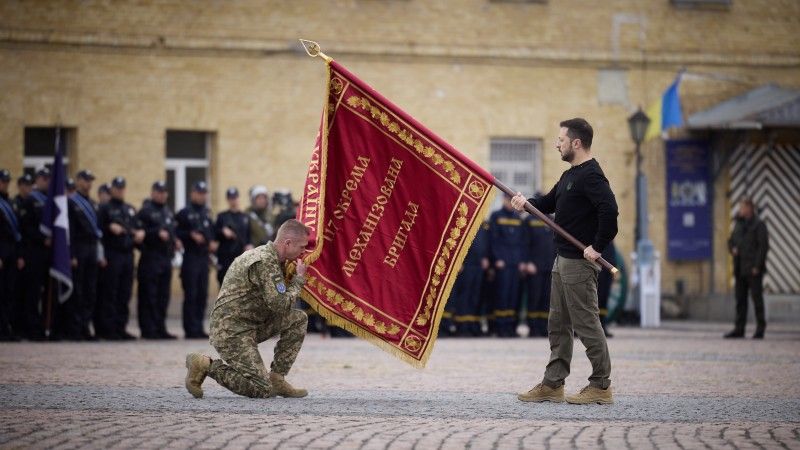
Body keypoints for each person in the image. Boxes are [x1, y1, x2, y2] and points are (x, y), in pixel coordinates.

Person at [512, 118, 618, 405]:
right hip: (561, 261)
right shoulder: (570, 175)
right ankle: (553, 384)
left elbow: (610, 211)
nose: (557, 143)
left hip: (579, 265)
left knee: (586, 324)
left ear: (576, 143)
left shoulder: (591, 176)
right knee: (557, 324)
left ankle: (601, 385)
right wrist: (526, 203)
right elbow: (547, 203)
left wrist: (597, 246)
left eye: (561, 139)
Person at [184, 219, 310, 399]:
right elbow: (280, 305)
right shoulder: (265, 262)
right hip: (231, 331)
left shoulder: (274, 259)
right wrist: (298, 280)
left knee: (298, 319)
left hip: (251, 324)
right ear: (287, 243)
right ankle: (205, 364)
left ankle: (277, 378)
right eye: (302, 247)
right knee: (262, 389)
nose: (303, 252)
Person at [97, 176, 143, 340]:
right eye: (117, 188)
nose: (120, 190)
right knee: (110, 292)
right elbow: (98, 233)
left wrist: (137, 233)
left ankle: (120, 327)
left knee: (125, 293)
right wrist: (110, 228)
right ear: (112, 189)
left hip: (128, 255)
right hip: (112, 254)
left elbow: (136, 228)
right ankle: (108, 329)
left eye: (122, 188)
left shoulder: (129, 208)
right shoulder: (105, 208)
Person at [136, 181, 178, 340]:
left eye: (164, 192)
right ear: (153, 193)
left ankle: (161, 328)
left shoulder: (167, 211)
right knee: (149, 295)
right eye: (159, 191)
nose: (162, 194)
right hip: (150, 258)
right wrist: (155, 233)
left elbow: (171, 231)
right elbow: (139, 233)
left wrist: (175, 241)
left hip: (165, 258)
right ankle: (148, 329)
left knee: (163, 296)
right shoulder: (145, 211)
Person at [176, 181, 216, 339]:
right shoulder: (184, 213)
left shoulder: (206, 213)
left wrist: (213, 242)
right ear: (192, 193)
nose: (202, 196)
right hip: (190, 257)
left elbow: (211, 233)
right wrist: (189, 235)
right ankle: (190, 328)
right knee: (191, 294)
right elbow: (177, 232)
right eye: (199, 193)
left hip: (203, 258)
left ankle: (198, 326)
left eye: (204, 193)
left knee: (202, 294)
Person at [65, 169, 102, 340]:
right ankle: (75, 328)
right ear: (78, 181)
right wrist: (71, 254)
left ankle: (86, 327)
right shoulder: (71, 203)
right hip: (79, 248)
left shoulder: (93, 204)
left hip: (92, 249)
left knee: (90, 290)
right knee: (78, 290)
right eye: (86, 180)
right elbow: (70, 231)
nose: (89, 183)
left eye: (90, 180)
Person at [725, 197, 769, 339]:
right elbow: (730, 241)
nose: (740, 210)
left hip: (753, 269)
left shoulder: (759, 225)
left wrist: (757, 266)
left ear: (750, 208)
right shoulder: (738, 224)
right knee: (740, 300)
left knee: (757, 300)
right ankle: (739, 328)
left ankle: (760, 329)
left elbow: (763, 247)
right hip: (739, 268)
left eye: (742, 207)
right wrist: (732, 249)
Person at [16, 168, 51, 340]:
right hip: (33, 252)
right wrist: (41, 238)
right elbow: (25, 228)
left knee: (47, 292)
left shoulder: (51, 201)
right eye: (44, 178)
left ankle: (45, 326)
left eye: (49, 178)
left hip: (48, 253)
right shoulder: (30, 201)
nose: (47, 181)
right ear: (38, 180)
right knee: (32, 292)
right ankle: (31, 328)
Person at [488, 194, 528, 337]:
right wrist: (497, 259)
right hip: (502, 264)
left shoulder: (518, 218)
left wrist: (522, 261)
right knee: (502, 295)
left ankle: (511, 327)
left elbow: (523, 242)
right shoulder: (496, 216)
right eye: (507, 200)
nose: (510, 203)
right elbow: (493, 240)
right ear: (503, 200)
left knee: (513, 296)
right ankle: (500, 327)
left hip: (516, 264)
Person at [450, 220, 490, 337]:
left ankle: (472, 325)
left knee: (475, 296)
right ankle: (462, 326)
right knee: (464, 296)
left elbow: (486, 242)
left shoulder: (483, 224)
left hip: (479, 264)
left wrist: (485, 257)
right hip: (466, 264)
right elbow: (457, 241)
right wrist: (459, 261)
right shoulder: (464, 220)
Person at [523, 209, 556, 338]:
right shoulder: (529, 220)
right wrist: (527, 261)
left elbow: (556, 244)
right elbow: (524, 243)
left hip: (550, 265)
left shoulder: (552, 220)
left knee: (546, 299)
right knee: (534, 298)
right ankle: (533, 328)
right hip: (534, 266)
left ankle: (544, 327)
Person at [0, 169, 22, 341]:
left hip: (12, 251)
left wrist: (20, 255)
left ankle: (6, 327)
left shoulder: (11, 203)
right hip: (1, 250)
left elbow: (17, 232)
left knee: (10, 290)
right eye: (3, 181)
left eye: (7, 181)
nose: (5, 183)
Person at [215, 187, 252, 286]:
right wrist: (222, 231)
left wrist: (249, 245)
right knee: (223, 285)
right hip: (225, 257)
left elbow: (248, 236)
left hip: (240, 256)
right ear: (227, 199)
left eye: (235, 197)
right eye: (231, 198)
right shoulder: (222, 216)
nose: (233, 200)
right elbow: (214, 235)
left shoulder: (244, 217)